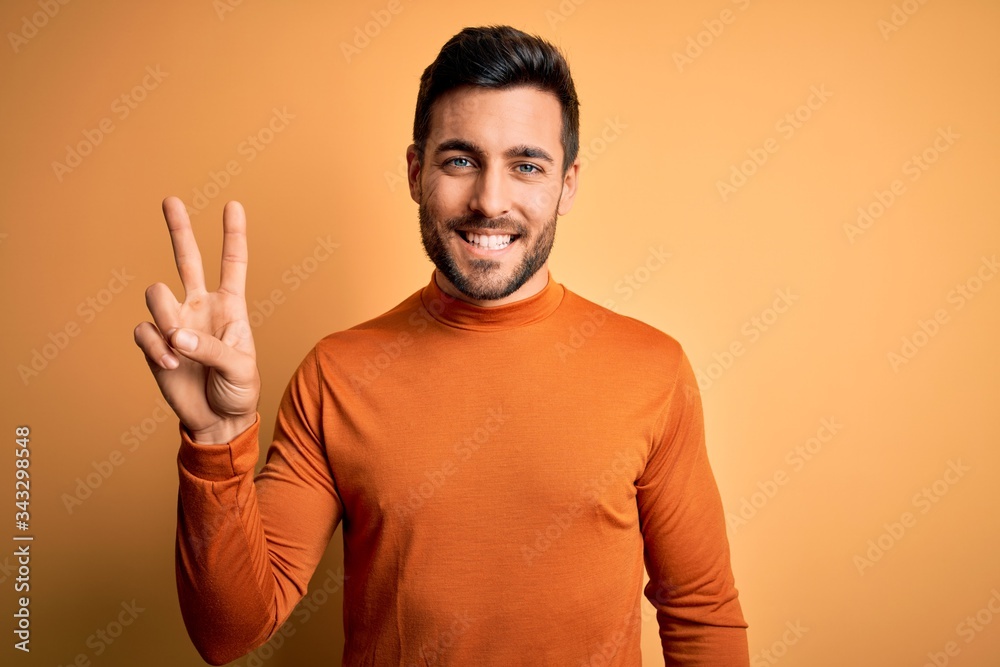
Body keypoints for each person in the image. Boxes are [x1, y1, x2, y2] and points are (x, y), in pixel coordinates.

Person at [134, 25, 749, 666]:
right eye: (460, 160)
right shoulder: (336, 374)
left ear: (566, 184)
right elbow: (228, 633)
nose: (489, 200)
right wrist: (216, 439)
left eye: (526, 166)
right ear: (414, 172)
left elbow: (702, 616)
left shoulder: (651, 370)